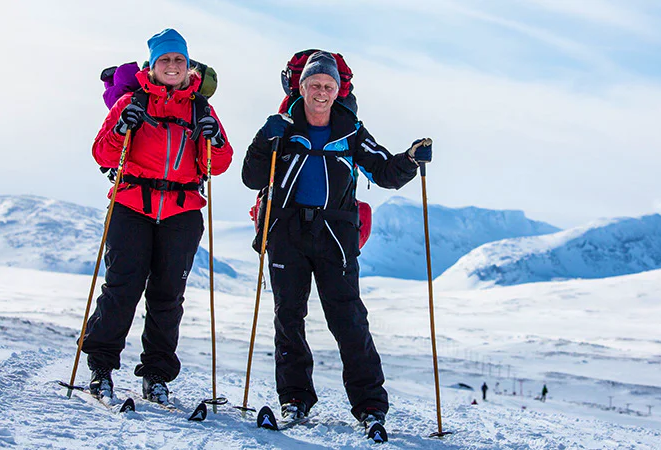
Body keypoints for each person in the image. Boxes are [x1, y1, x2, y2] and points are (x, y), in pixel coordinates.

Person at [241, 50, 433, 425]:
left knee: (349, 319)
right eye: (314, 85)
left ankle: (370, 405)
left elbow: (384, 172)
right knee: (289, 317)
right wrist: (265, 139)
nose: (321, 92)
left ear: (338, 90)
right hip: (287, 232)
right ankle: (294, 399)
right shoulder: (282, 127)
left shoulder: (351, 131)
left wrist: (410, 159)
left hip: (334, 235)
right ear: (301, 87)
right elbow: (252, 177)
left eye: (328, 86)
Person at [82, 28, 233, 403]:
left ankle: (157, 375)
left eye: (178, 60)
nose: (172, 66)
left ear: (187, 66)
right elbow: (102, 154)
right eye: (165, 60)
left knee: (168, 296)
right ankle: (101, 367)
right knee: (121, 289)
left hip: (182, 213)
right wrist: (120, 128)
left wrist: (214, 139)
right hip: (131, 205)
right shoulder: (131, 102)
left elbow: (221, 164)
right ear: (151, 66)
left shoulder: (201, 108)